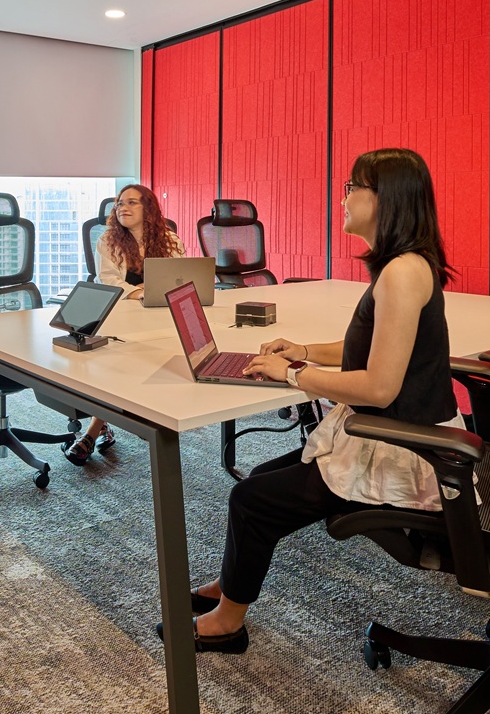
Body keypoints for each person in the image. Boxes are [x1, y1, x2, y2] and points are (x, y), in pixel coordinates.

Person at [167, 148, 461, 653]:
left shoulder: (402, 273)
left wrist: (294, 375)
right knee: (260, 480)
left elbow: (379, 387)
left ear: (385, 198)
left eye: (352, 188)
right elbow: (367, 349)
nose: (342, 198)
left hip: (401, 448)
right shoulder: (404, 267)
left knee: (251, 501)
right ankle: (230, 585)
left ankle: (227, 623)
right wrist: (301, 351)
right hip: (388, 433)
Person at [68, 183, 186, 466]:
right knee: (116, 370)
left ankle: (104, 427)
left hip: (160, 317)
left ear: (148, 208)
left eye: (132, 202)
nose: (123, 207)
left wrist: (153, 292)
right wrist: (141, 292)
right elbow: (109, 281)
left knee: (156, 365)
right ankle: (95, 429)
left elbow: (179, 277)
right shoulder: (108, 240)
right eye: (120, 203)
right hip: (120, 316)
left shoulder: (170, 240)